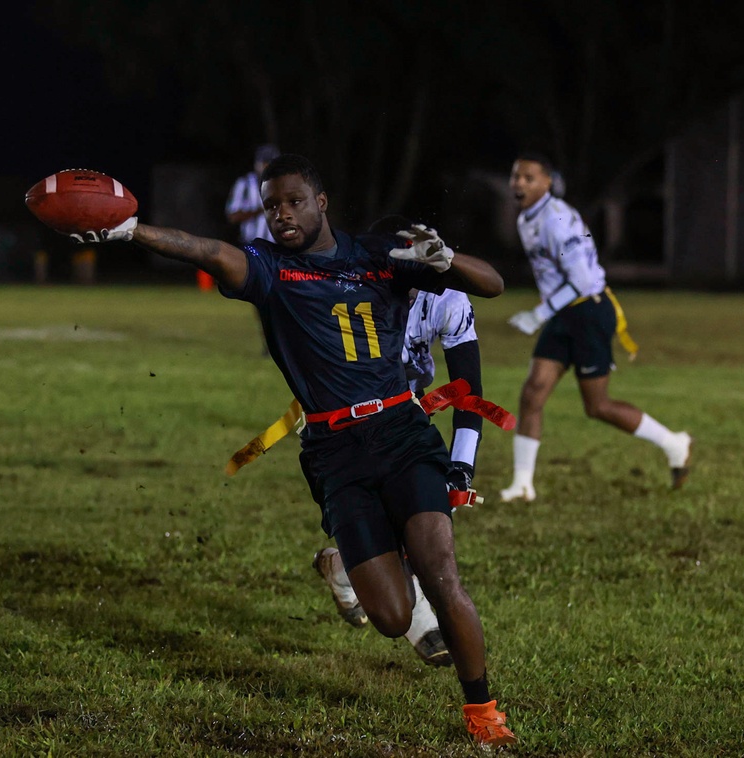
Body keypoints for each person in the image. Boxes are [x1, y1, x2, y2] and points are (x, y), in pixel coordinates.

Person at [69, 154, 516, 748]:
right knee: (392, 617)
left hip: (403, 434)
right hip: (336, 453)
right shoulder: (269, 268)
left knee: (441, 573)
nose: (281, 215)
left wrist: (448, 259)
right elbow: (207, 251)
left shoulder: (377, 256)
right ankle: (341, 565)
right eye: (271, 205)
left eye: (293, 202)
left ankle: (483, 711)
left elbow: (492, 285)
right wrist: (130, 230)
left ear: (321, 202)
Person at [313, 216, 487, 669]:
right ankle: (416, 615)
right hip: (348, 413)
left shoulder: (446, 296)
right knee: (389, 510)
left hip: (408, 409)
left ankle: (350, 570)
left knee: (427, 512)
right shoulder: (348, 286)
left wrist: (462, 464)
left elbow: (468, 386)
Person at [501, 151, 691, 503]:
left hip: (589, 310)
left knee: (597, 406)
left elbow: (583, 280)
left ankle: (673, 443)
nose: (519, 184)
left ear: (547, 182)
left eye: (529, 178)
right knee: (533, 392)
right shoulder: (529, 218)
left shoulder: (557, 219)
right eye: (516, 177)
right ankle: (522, 484)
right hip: (564, 313)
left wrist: (539, 314)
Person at [225, 144, 280, 352]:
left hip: (280, 246)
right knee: (262, 295)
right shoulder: (245, 184)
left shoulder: (284, 182)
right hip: (255, 247)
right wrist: (261, 209)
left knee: (282, 293)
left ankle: (281, 338)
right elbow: (233, 215)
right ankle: (270, 340)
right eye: (265, 163)